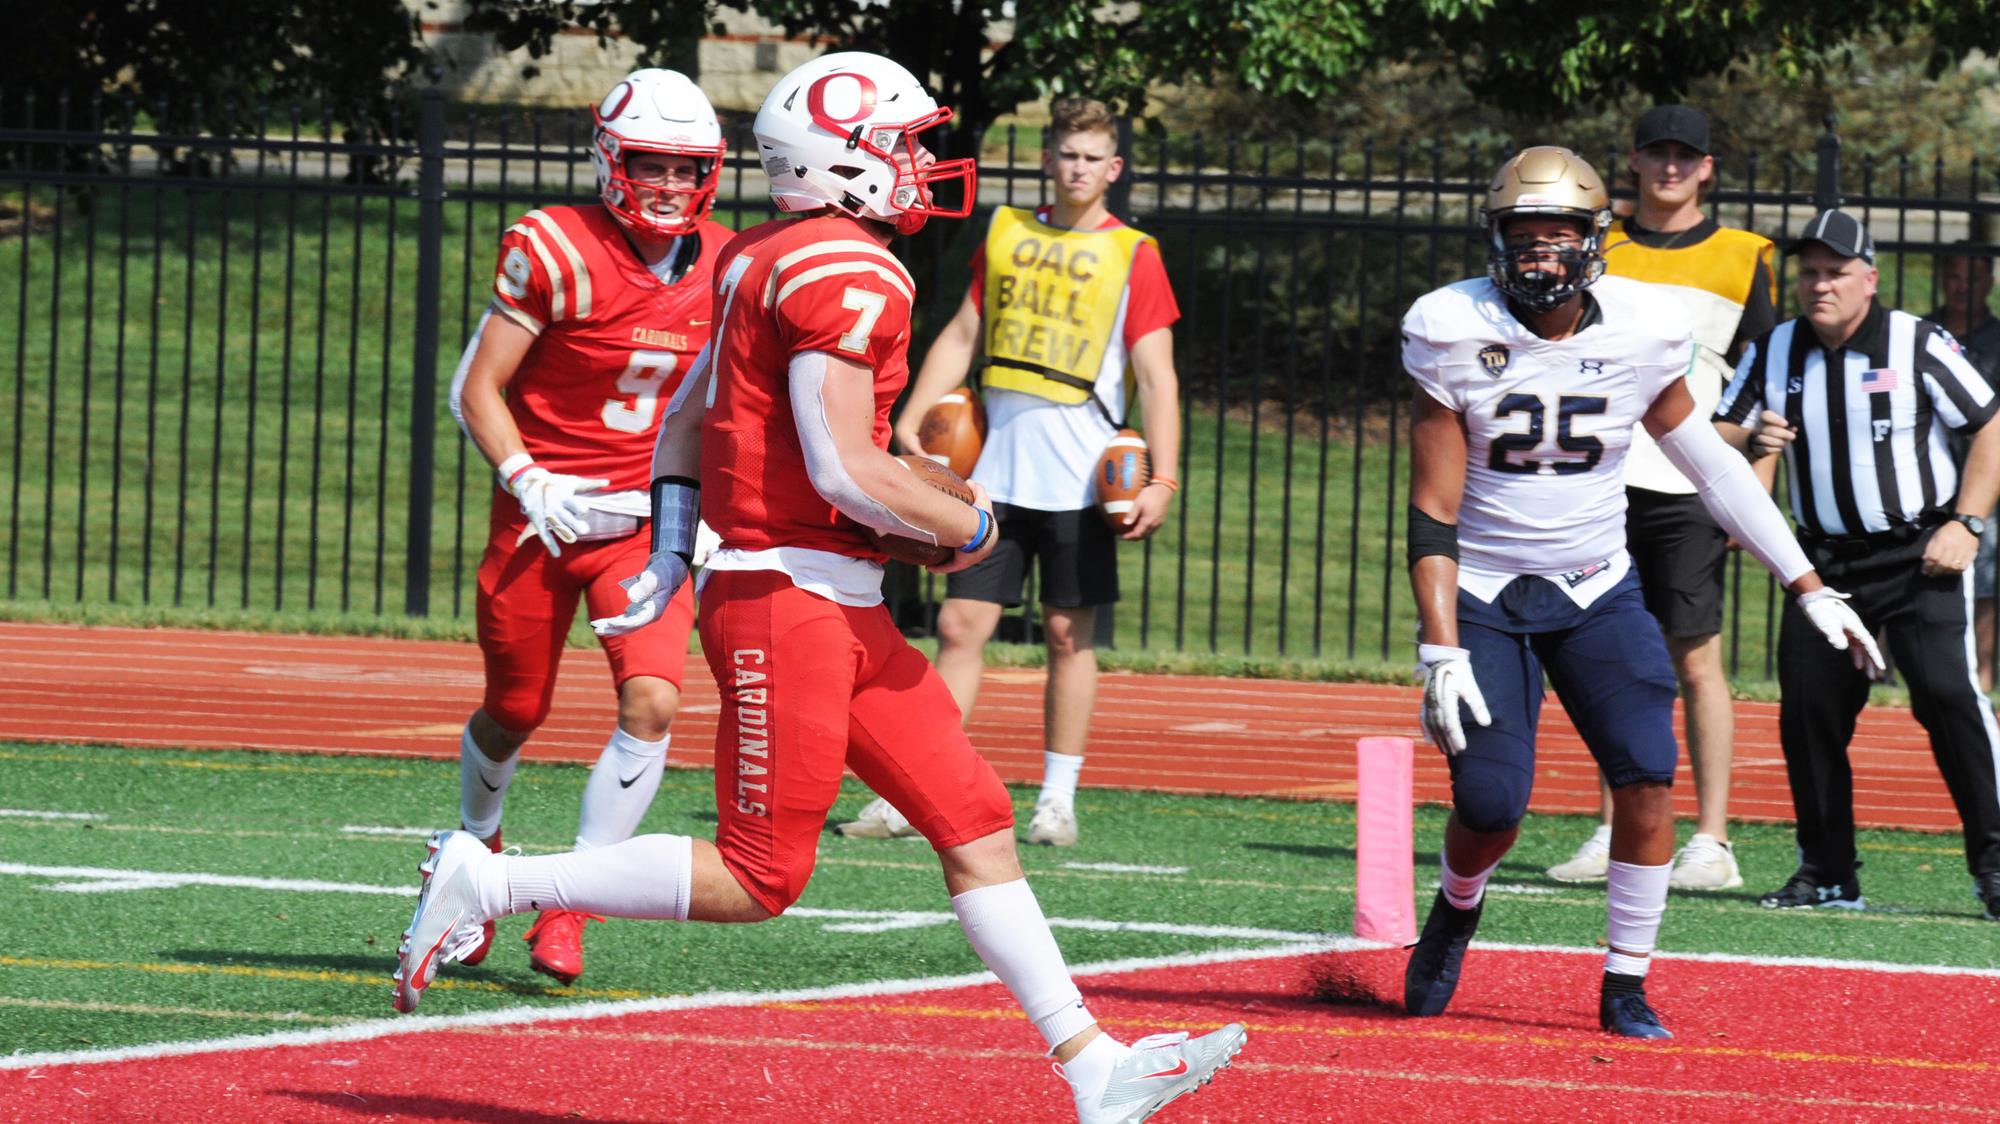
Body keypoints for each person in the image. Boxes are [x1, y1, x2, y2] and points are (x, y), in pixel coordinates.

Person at [396, 52, 1246, 1123]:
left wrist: (668, 546)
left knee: (975, 816)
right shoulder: (844, 270)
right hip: (788, 597)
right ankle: (490, 881)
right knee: (759, 875)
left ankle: (1093, 1066)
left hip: (831, 597)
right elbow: (845, 465)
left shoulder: (758, 252)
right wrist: (964, 524)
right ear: (839, 159)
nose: (918, 163)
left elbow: (679, 423)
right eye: (898, 143)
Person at [1401, 148, 1882, 1039]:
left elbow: (1711, 468)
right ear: (1495, 240)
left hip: (1595, 584)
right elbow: (1432, 509)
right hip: (1484, 587)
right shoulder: (1449, 323)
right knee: (1491, 804)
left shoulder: (1640, 329)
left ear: (1595, 243)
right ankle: (1457, 904)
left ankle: (1625, 982)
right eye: (1523, 237)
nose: (1540, 256)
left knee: (1649, 775)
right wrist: (1440, 648)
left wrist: (1808, 584)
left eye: (1559, 238)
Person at [442, 68, 731, 985]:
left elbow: (736, 407)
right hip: (543, 514)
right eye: (652, 164)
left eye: (690, 169)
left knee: (653, 701)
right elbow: (476, 387)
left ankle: (569, 899)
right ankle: (474, 855)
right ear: (611, 158)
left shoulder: (730, 263)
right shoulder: (555, 245)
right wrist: (526, 478)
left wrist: (715, 509)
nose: (672, 187)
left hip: (643, 521)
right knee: (515, 708)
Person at [836, 95, 1183, 848]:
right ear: (1047, 159)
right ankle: (911, 791)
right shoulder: (1005, 229)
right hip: (995, 472)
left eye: (1094, 157)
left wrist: (1163, 478)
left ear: (1114, 168)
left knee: (1067, 633)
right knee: (960, 626)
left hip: (1081, 473)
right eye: (1068, 153)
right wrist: (908, 418)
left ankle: (1057, 799)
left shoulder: (1135, 252)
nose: (1079, 167)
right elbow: (962, 333)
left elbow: (1158, 377)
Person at [1715, 210, 2000, 922]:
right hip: (1823, 566)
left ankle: (1995, 865)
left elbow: (1991, 423)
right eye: (1809, 272)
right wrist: (1754, 437)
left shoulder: (1917, 342)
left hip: (1918, 558)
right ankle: (1829, 872)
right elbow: (1717, 434)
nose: (1820, 286)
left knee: (1948, 699)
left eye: (1835, 272)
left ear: (1868, 280)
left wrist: (1967, 522)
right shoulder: (1774, 348)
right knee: (1809, 714)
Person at [1546, 105, 1779, 892]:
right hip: (1599, 479)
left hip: (1685, 481)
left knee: (1696, 659)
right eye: (1657, 154)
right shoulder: (1599, 245)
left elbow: (1763, 373)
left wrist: (1746, 479)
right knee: (1607, 655)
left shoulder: (1747, 256)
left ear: (1708, 167)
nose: (1670, 168)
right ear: (1635, 162)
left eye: (1686, 156)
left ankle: (1711, 840)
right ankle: (1613, 827)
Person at [1927, 246, 2000, 689]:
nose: (1960, 287)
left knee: (1985, 574)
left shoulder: (1998, 339)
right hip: (1927, 474)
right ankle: (1890, 676)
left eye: (1971, 278)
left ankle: (1983, 672)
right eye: (1953, 277)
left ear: (1989, 283)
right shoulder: (1924, 333)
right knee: (1909, 567)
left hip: (1985, 479)